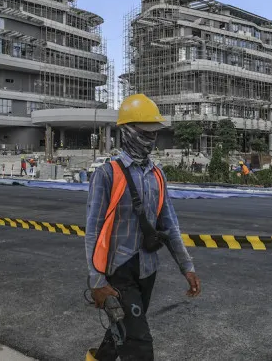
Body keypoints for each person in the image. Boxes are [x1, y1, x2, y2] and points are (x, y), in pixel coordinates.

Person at [85, 94, 200, 361]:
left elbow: (169, 225)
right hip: (119, 271)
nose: (151, 138)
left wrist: (187, 267)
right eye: (145, 132)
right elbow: (93, 231)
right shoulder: (106, 174)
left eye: (154, 133)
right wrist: (97, 280)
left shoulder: (157, 175)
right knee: (138, 343)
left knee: (121, 330)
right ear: (127, 132)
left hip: (147, 270)